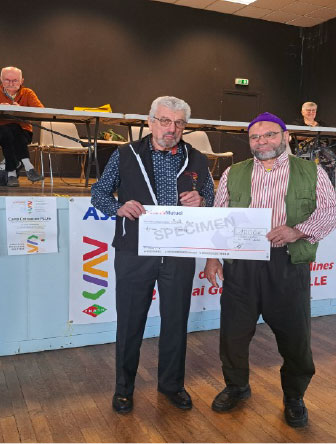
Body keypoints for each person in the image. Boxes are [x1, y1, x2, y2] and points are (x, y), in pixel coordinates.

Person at [204, 112, 336, 428]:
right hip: (241, 264)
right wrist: (212, 258)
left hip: (287, 263)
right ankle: (237, 386)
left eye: (269, 135)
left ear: (285, 137)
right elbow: (218, 218)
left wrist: (298, 231)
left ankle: (294, 397)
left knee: (294, 337)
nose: (262, 141)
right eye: (255, 137)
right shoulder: (233, 173)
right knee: (233, 334)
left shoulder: (311, 171)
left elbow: (330, 213)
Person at [91, 96, 215, 414]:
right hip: (134, 250)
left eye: (178, 123)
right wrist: (118, 207)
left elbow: (213, 200)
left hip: (179, 251)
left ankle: (172, 385)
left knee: (176, 321)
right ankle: (124, 389)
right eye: (165, 121)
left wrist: (201, 201)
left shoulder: (198, 158)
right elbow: (99, 193)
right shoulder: (125, 154)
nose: (171, 128)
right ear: (150, 122)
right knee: (130, 322)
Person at [0, 66, 44, 187]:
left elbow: (40, 111)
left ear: (22, 81)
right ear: (0, 79)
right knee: (10, 129)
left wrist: (21, 110)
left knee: (11, 130)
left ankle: (11, 173)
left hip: (23, 132)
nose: (11, 83)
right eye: (7, 80)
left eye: (15, 80)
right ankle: (28, 166)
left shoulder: (28, 93)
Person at [291, 101, 336, 185]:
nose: (311, 112)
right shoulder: (297, 124)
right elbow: (296, 136)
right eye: (308, 110)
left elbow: (329, 134)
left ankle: (326, 182)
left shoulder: (322, 124)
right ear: (302, 112)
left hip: (321, 150)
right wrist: (313, 135)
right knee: (317, 146)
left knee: (319, 149)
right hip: (303, 149)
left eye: (313, 110)